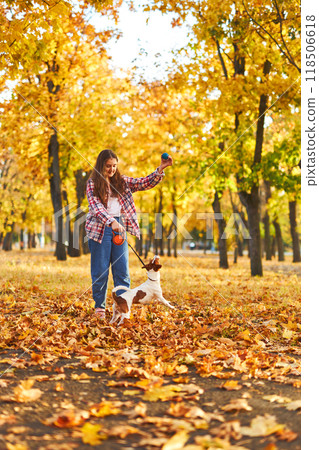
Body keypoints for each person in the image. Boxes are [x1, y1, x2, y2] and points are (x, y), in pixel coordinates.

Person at [85, 149, 173, 319]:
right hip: (100, 229)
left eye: (114, 166)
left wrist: (160, 169)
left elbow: (143, 183)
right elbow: (96, 207)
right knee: (100, 270)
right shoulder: (92, 183)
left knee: (122, 270)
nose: (111, 169)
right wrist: (111, 221)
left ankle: (122, 306)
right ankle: (100, 307)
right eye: (108, 166)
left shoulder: (122, 182)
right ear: (100, 165)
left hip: (120, 229)